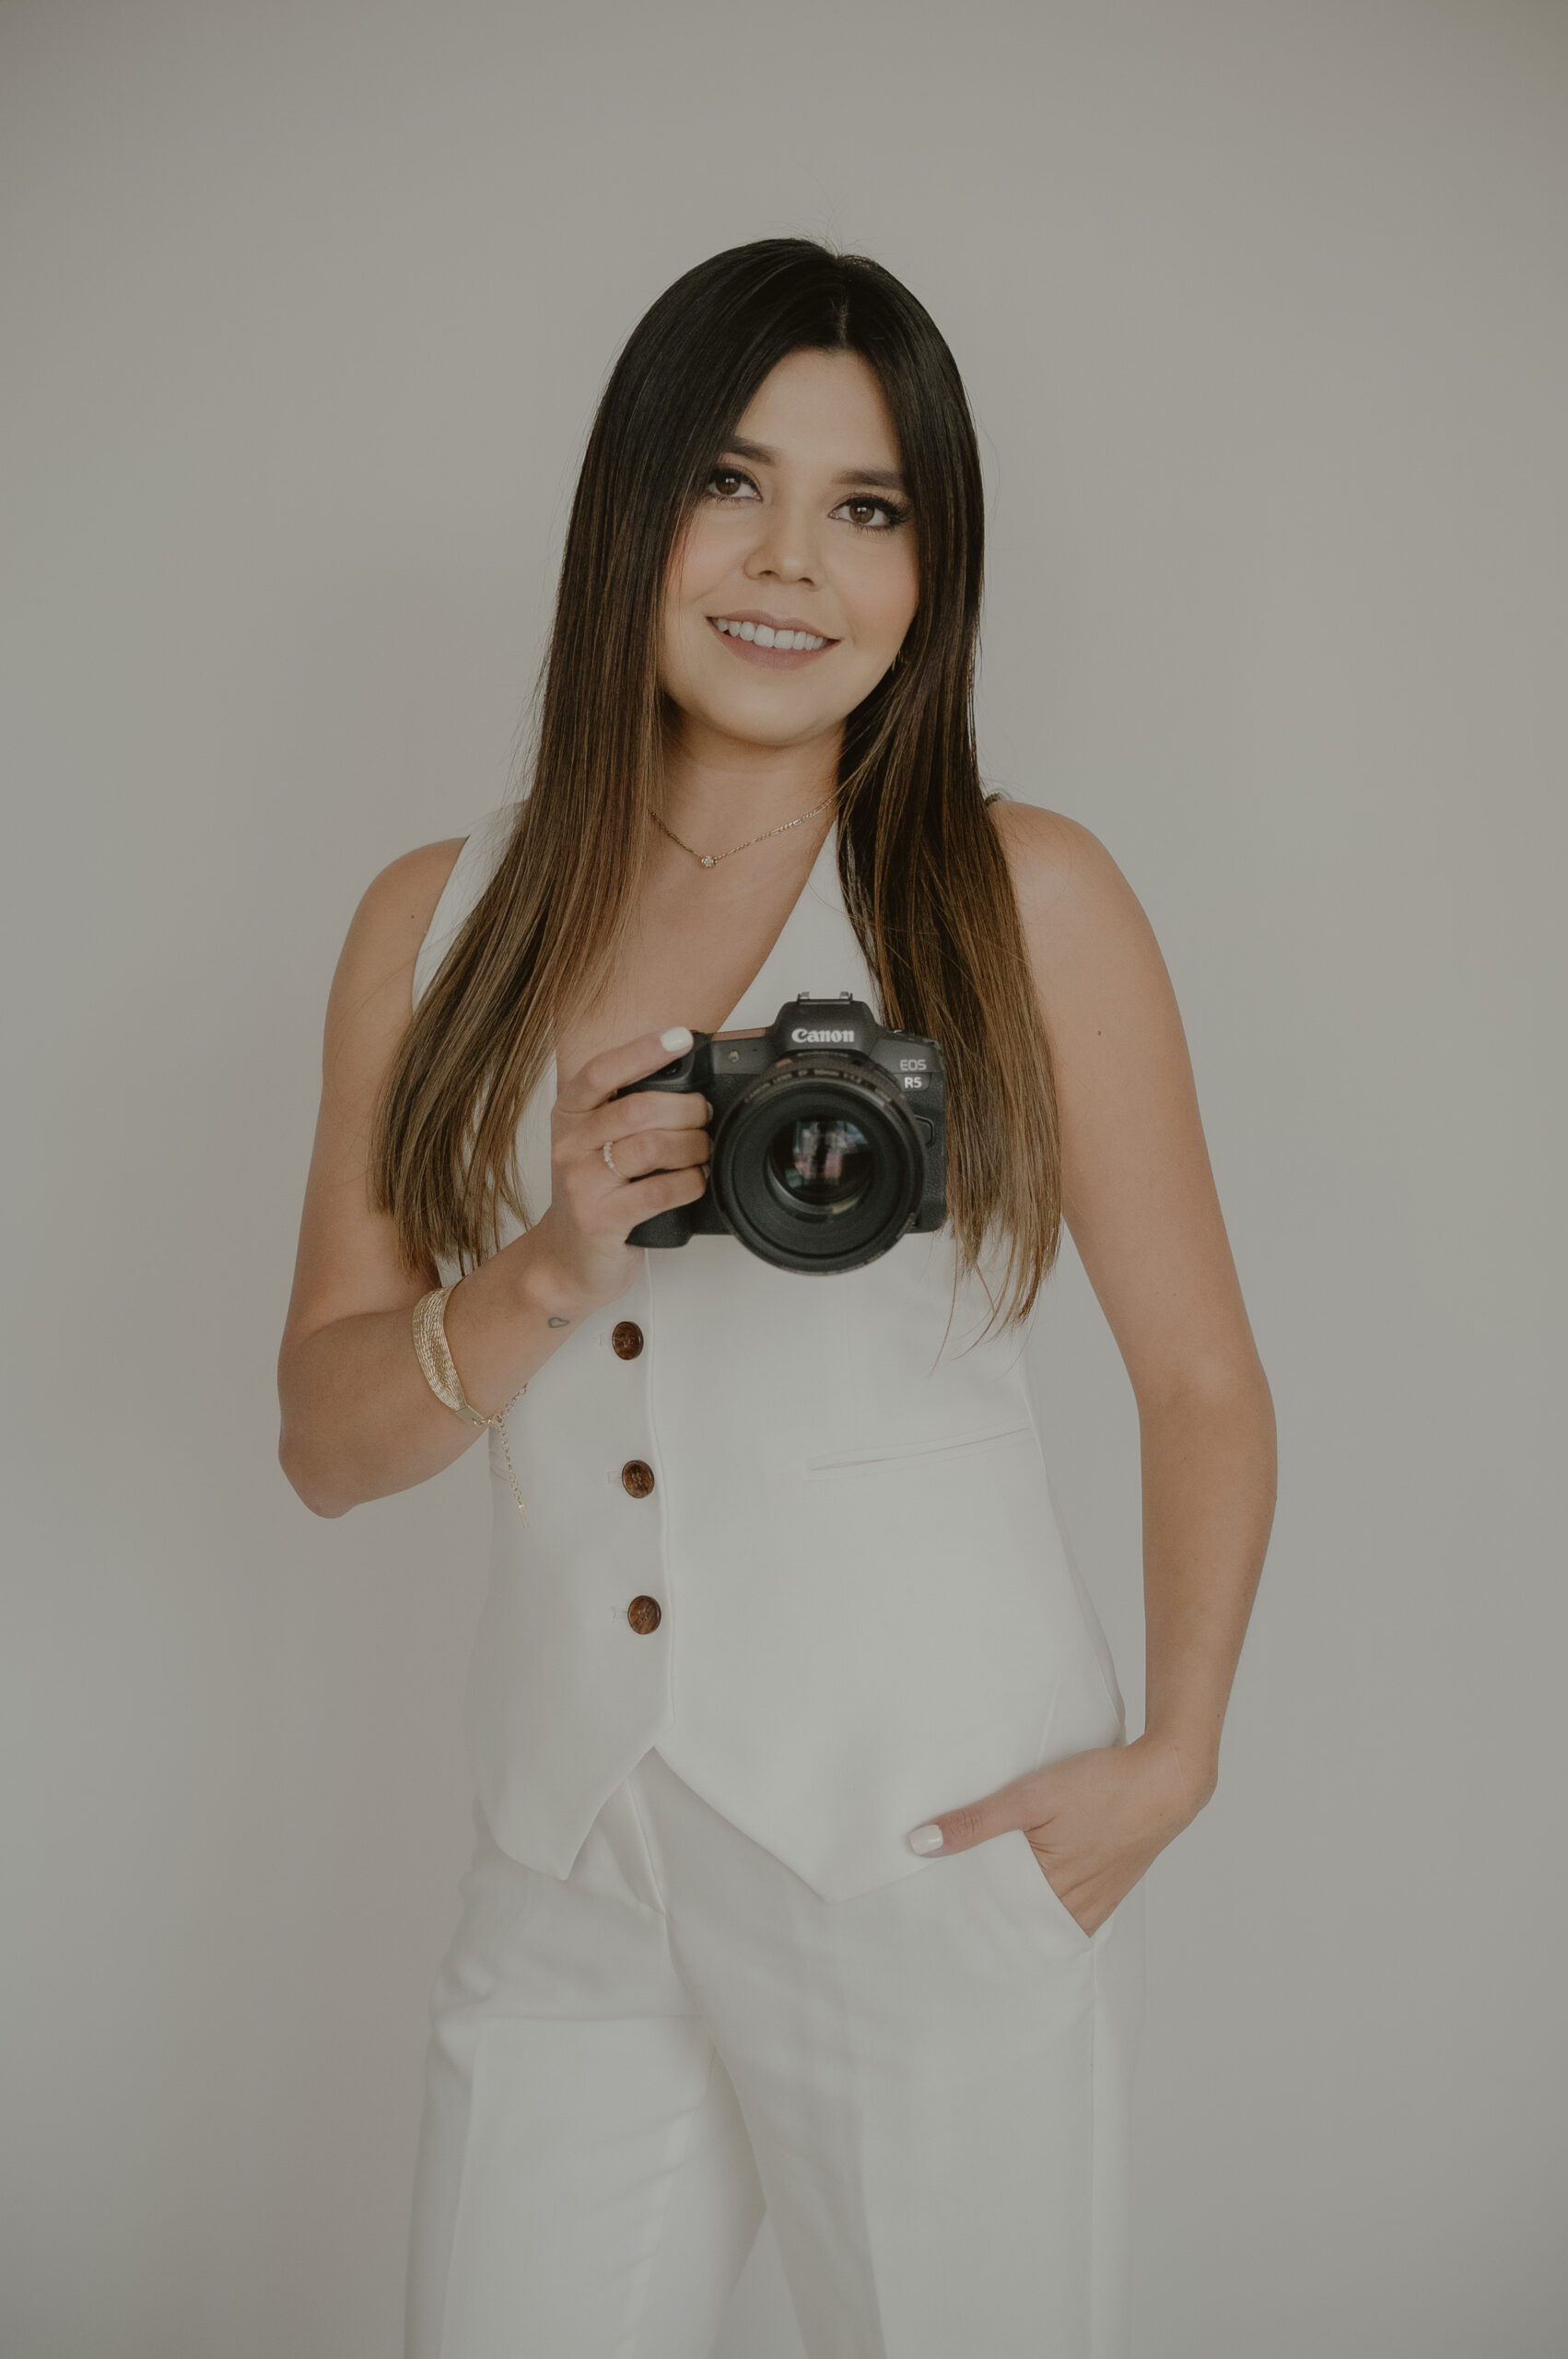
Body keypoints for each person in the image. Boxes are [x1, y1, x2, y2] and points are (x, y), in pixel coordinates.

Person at [277, 238, 1277, 2359]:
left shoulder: (1018, 894)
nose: (788, 563)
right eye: (728, 482)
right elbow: (327, 1443)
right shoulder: (431, 922)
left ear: (930, 566)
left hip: (930, 1833)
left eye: (866, 506)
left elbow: (1195, 1371)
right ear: (627, 507)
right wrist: (546, 1263)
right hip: (569, 1848)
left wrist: (1173, 1753)